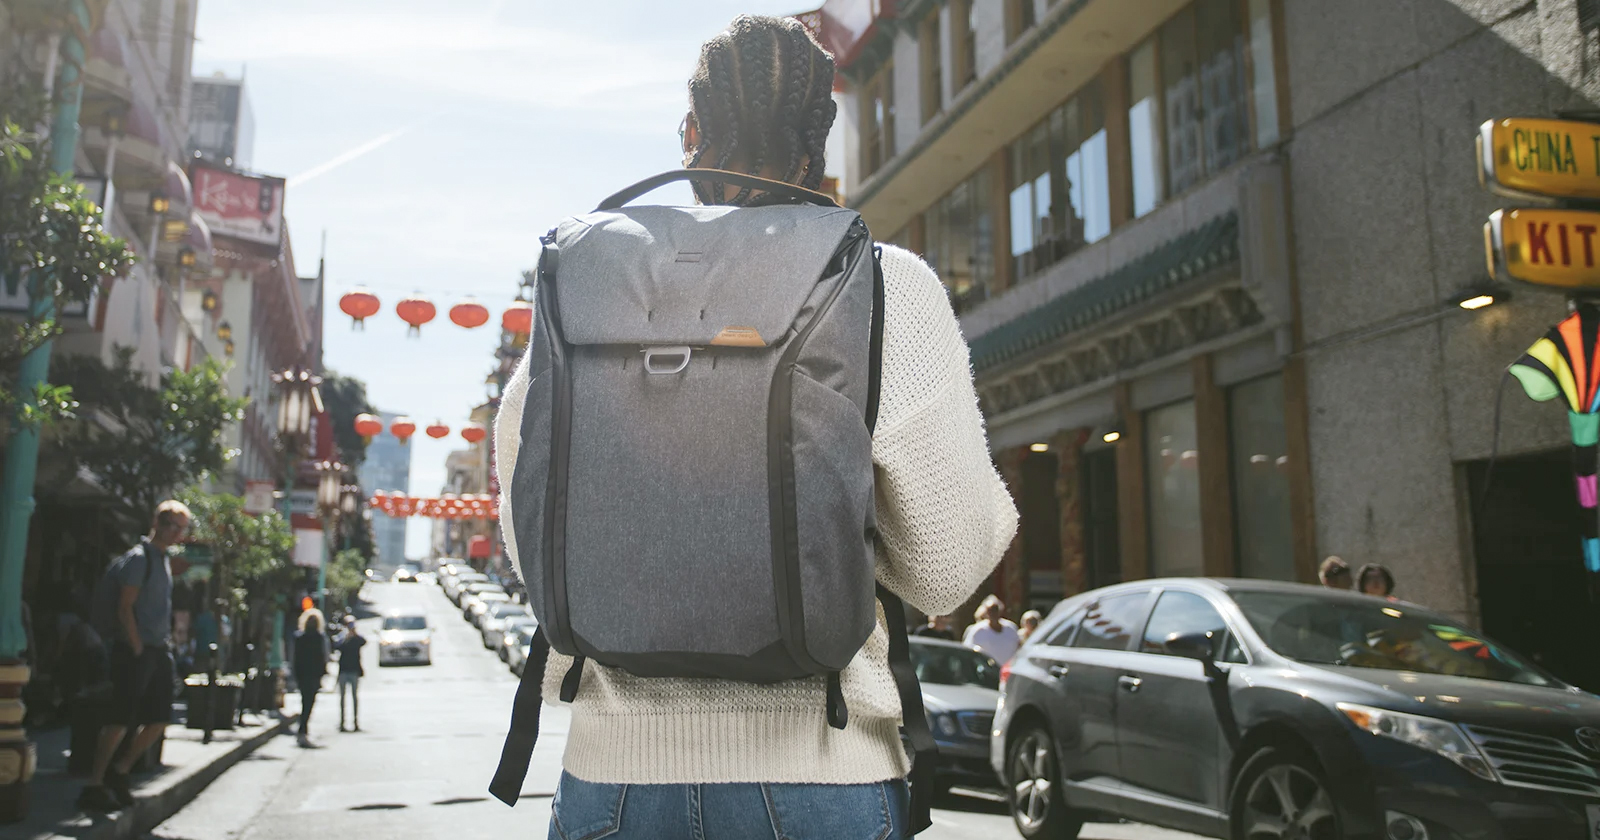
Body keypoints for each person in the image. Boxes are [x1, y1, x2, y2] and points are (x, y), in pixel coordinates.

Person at [493, 16, 1018, 839]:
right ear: (820, 143)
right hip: (819, 778)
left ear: (692, 134)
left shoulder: (588, 276)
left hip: (612, 782)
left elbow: (531, 516)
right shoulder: (883, 283)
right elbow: (946, 570)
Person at [78, 500, 190, 813]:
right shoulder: (141, 559)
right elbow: (125, 606)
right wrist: (136, 644)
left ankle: (120, 770)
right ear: (162, 525)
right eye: (177, 527)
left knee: (159, 718)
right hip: (135, 650)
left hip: (157, 650)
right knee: (119, 718)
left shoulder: (163, 560)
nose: (181, 534)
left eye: (183, 528)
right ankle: (95, 783)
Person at [292, 609, 329, 748]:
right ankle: (302, 730)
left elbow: (295, 658)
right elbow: (323, 657)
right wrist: (323, 673)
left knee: (305, 702)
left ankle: (302, 730)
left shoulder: (299, 637)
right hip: (312, 675)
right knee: (309, 703)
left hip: (303, 675)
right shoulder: (319, 637)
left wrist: (296, 675)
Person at [964, 596, 1022, 664]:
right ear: (986, 613)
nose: (993, 613)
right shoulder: (977, 630)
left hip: (1007, 670)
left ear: (1000, 611)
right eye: (990, 610)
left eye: (995, 610)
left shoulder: (1011, 628)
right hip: (987, 671)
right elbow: (968, 649)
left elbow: (1019, 648)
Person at [334, 615, 365, 732]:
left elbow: (363, 641)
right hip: (343, 671)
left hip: (354, 671)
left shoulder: (357, 639)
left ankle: (355, 722)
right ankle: (342, 722)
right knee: (342, 698)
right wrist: (345, 637)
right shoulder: (342, 637)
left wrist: (354, 634)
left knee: (354, 697)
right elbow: (337, 646)